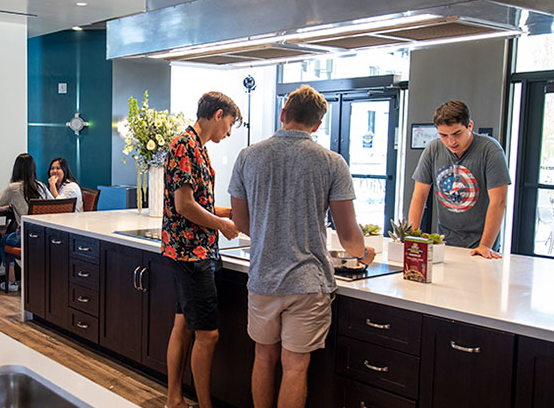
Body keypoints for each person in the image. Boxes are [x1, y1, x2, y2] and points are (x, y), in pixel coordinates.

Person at [228, 84, 375, 408]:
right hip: (308, 283)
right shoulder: (332, 162)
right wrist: (364, 254)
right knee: (295, 367)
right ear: (318, 124)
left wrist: (270, 231)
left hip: (263, 278)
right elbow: (348, 234)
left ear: (283, 115)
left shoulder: (247, 156)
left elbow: (241, 223)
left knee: (263, 358)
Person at [163, 91, 241, 408]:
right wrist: (220, 225)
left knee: (183, 326)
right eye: (230, 125)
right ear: (218, 115)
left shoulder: (197, 147)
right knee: (207, 335)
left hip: (192, 251)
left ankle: (174, 399)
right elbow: (184, 206)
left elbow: (201, 204)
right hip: (191, 254)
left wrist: (232, 214)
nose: (229, 133)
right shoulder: (184, 145)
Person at [408, 100, 511, 259]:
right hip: (445, 240)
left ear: (469, 126)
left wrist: (485, 245)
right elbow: (419, 195)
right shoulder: (433, 149)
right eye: (444, 135)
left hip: (481, 243)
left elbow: (498, 201)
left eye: (457, 134)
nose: (451, 141)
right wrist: (412, 238)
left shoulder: (490, 150)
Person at [0, 153, 53, 291]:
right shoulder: (40, 186)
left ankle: (11, 281)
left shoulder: (13, 187)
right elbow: (52, 205)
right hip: (46, 236)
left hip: (26, 236)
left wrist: (12, 204)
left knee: (4, 240)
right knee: (12, 235)